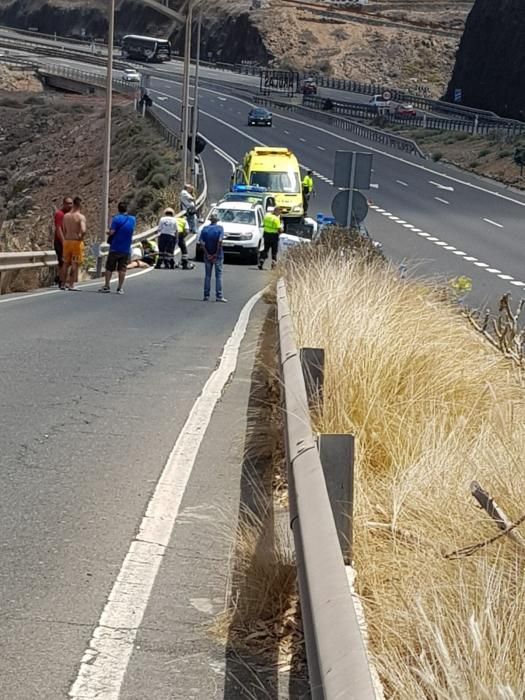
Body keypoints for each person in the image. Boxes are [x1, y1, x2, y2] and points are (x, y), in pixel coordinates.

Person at [99, 202, 136, 294]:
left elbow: (111, 232)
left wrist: (108, 232)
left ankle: (107, 285)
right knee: (122, 269)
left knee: (109, 267)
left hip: (115, 247)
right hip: (126, 248)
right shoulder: (132, 219)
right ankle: (120, 288)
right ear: (126, 209)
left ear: (118, 209)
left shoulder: (116, 219)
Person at [199, 213, 227, 302]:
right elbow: (220, 241)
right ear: (217, 220)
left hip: (207, 254)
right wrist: (216, 253)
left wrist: (207, 253)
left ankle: (206, 295)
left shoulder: (205, 229)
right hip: (218, 255)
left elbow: (201, 242)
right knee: (218, 276)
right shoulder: (220, 229)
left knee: (207, 275)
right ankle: (219, 296)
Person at [62, 196, 87, 291]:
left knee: (65, 263)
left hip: (67, 242)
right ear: (80, 204)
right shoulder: (80, 217)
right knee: (74, 263)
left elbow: (64, 230)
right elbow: (83, 230)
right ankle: (71, 284)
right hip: (76, 243)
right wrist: (80, 237)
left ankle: (63, 284)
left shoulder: (66, 216)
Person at [53, 196, 73, 288]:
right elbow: (58, 229)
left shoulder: (70, 214)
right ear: (64, 204)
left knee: (68, 262)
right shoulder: (60, 214)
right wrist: (63, 242)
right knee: (62, 261)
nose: (70, 205)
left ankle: (65, 279)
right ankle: (61, 281)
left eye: (71, 203)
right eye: (68, 203)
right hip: (60, 242)